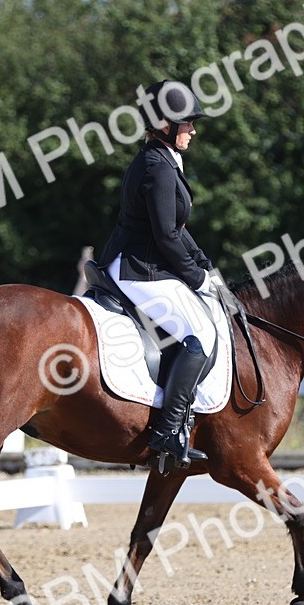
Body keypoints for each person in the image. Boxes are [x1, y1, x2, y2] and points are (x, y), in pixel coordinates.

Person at [100, 80, 223, 474]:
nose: (193, 130)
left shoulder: (162, 159)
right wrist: (196, 278)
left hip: (146, 263)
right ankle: (167, 433)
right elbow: (166, 237)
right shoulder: (157, 166)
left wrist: (204, 264)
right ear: (164, 125)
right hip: (140, 269)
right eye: (187, 123)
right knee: (200, 334)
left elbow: (176, 228)